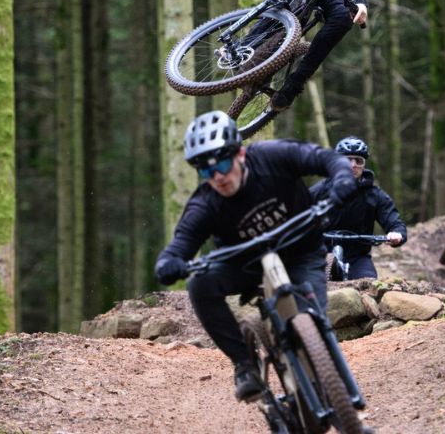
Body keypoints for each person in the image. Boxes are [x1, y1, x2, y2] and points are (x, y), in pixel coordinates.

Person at [153, 110, 357, 402]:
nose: (219, 176)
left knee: (313, 321)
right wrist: (168, 264)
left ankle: (331, 392)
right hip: (245, 265)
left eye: (222, 162)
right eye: (206, 171)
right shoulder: (204, 204)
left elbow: (327, 159)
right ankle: (245, 365)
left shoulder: (273, 156)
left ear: (240, 154)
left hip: (301, 252)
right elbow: (179, 246)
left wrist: (342, 181)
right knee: (200, 284)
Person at [309, 136, 407, 279]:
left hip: (357, 258)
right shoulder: (319, 190)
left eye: (358, 161)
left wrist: (396, 234)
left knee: (369, 284)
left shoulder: (375, 195)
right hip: (320, 253)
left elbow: (394, 221)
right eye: (347, 160)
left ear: (363, 165)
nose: (353, 165)